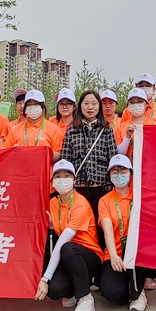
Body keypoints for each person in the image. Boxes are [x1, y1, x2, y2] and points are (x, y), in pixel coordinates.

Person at [35, 160, 103, 311]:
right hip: (68, 256)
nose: (62, 180)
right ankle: (72, 292)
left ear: (74, 180)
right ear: (52, 181)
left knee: (67, 248)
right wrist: (52, 225)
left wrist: (45, 278)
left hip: (89, 257)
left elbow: (62, 242)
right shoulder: (53, 203)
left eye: (66, 176)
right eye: (57, 176)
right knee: (55, 290)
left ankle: (85, 297)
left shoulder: (80, 203)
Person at [98, 154, 148, 311]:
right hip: (116, 253)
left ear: (130, 173)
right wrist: (113, 255)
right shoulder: (104, 200)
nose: (119, 175)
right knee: (111, 292)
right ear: (109, 175)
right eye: (115, 171)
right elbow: (107, 228)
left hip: (138, 251)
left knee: (134, 251)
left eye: (123, 171)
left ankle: (138, 294)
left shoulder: (140, 196)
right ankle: (132, 288)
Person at [61, 91, 117, 220]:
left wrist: (109, 186)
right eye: (86, 103)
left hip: (100, 188)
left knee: (100, 224)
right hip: (77, 189)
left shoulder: (106, 129)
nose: (90, 107)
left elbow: (112, 158)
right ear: (80, 106)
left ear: (99, 106)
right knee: (79, 223)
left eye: (94, 104)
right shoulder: (72, 129)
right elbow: (65, 159)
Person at [4, 90, 63, 163]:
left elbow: (59, 155)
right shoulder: (15, 130)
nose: (32, 107)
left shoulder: (53, 129)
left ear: (43, 107)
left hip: (43, 169)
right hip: (20, 168)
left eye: (36, 104)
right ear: (25, 108)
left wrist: (45, 153)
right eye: (29, 105)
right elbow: (5, 153)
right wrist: (14, 152)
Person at [115, 88, 156, 160]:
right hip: (128, 165)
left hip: (149, 164)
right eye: (132, 102)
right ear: (128, 105)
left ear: (147, 104)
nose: (135, 105)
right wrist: (127, 137)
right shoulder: (120, 127)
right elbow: (119, 154)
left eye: (139, 101)